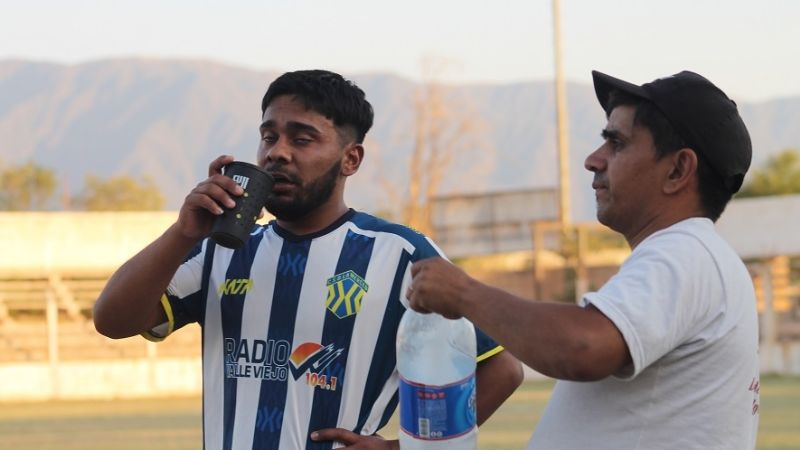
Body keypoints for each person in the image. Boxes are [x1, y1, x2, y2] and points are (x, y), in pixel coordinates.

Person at [93, 69, 522, 450]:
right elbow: (112, 321)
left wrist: (401, 448)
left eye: (301, 139)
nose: (277, 152)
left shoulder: (399, 253)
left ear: (350, 159)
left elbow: (501, 369)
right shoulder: (218, 249)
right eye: (268, 136)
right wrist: (183, 233)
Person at [407, 70, 760, 449]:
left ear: (677, 170)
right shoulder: (695, 255)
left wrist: (463, 294)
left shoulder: (686, 252)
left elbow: (583, 348)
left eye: (617, 143)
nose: (593, 160)